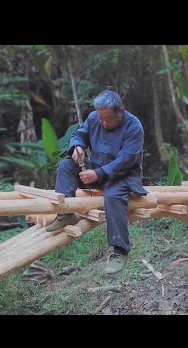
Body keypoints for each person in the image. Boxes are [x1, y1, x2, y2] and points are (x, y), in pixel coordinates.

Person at [45, 90, 147, 275]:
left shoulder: (134, 126)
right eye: (100, 118)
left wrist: (98, 174)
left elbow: (126, 160)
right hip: (97, 170)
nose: (103, 122)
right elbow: (79, 134)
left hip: (123, 175)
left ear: (120, 112)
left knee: (114, 196)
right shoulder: (94, 117)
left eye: (107, 118)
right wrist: (77, 146)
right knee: (66, 166)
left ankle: (120, 251)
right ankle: (66, 214)